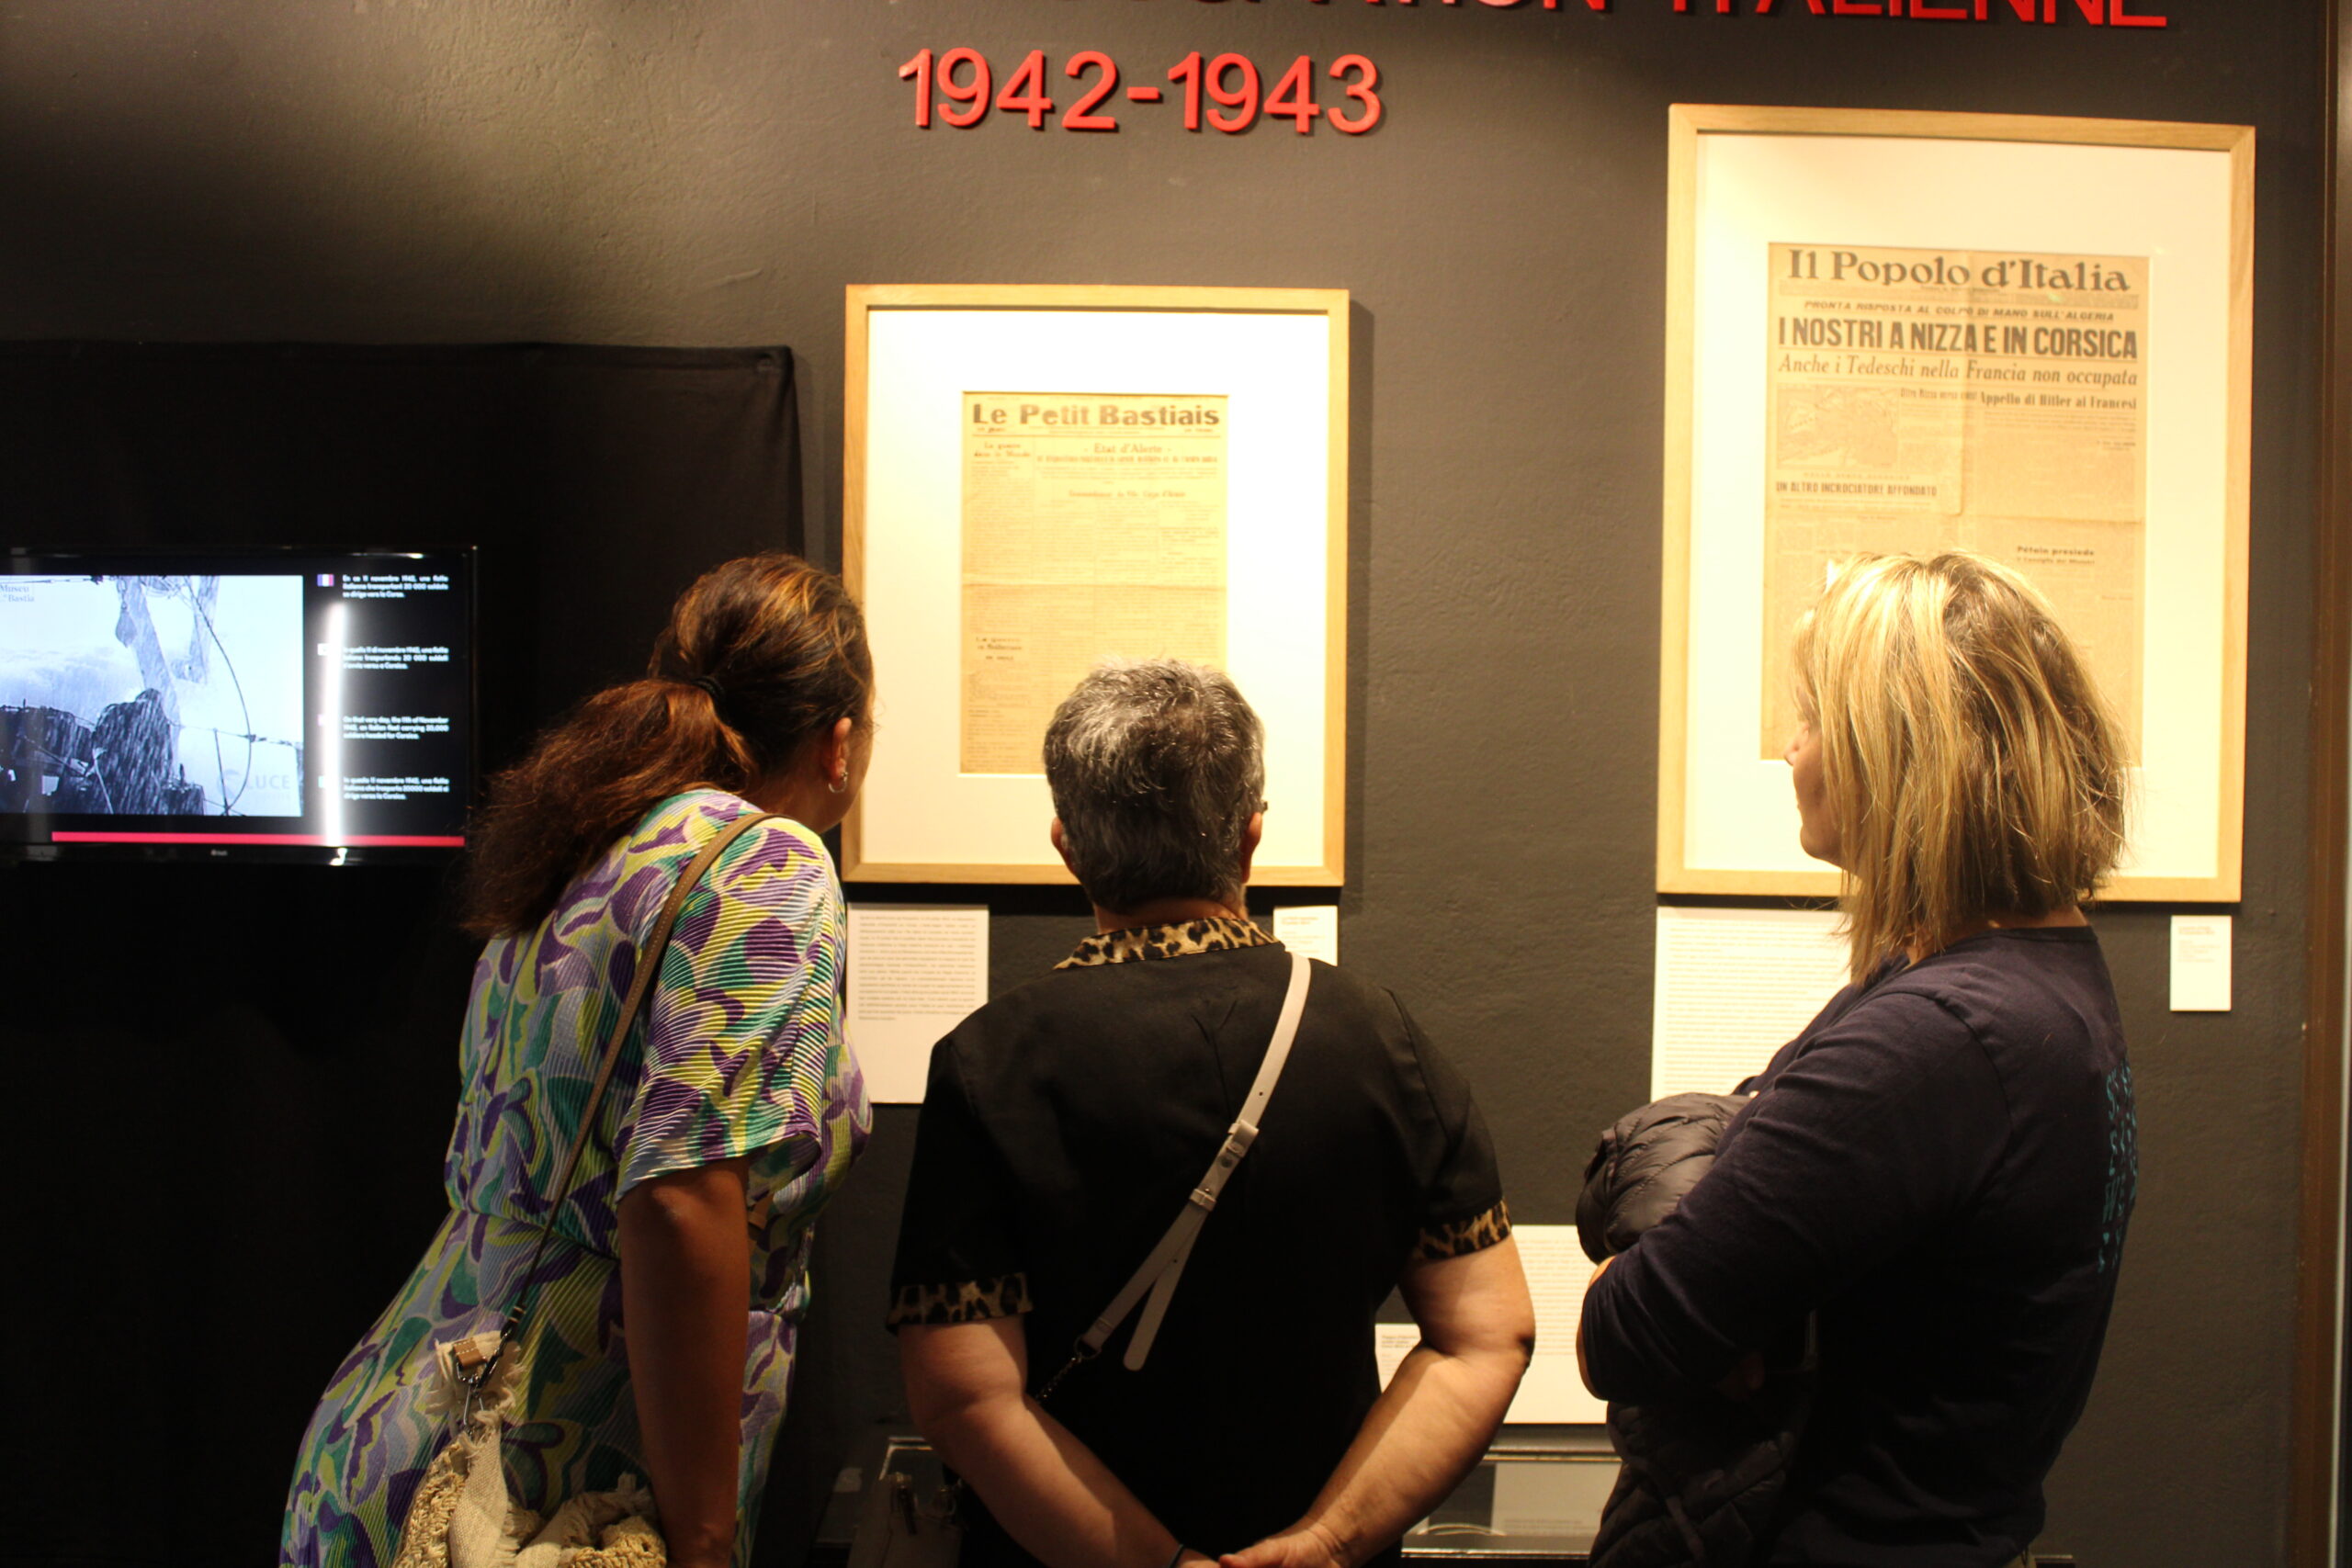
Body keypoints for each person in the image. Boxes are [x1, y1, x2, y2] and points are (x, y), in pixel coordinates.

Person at [283, 553, 876, 1568]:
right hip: (549, 1487)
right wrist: (701, 1538)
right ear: (838, 744)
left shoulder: (595, 842)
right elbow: (681, 1198)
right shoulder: (766, 862)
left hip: (403, 1438)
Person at [888, 658, 1534, 1568]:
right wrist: (1324, 1545)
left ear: (1067, 843)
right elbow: (1487, 1335)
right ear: (1250, 834)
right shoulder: (1379, 1037)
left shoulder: (988, 1062)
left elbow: (963, 1395)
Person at [1578, 551, 2136, 1568]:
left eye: (1810, 717)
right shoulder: (2011, 979)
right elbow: (1746, 1111)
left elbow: (1623, 1335)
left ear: (1896, 751)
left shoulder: (1940, 1035)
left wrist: (1655, 1245)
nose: (1790, 750)